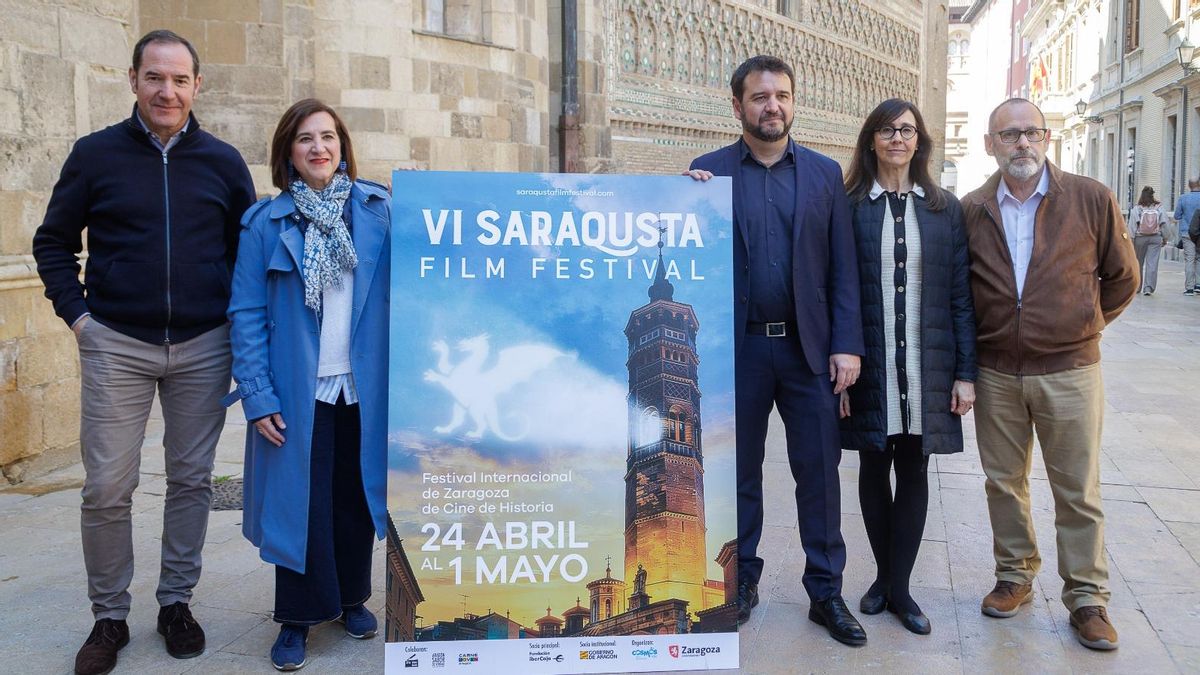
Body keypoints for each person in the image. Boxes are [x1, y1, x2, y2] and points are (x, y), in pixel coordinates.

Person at [31, 29, 255, 675]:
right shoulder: (94, 155)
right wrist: (79, 319)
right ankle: (109, 615)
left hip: (204, 344)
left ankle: (176, 602)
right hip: (117, 344)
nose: (167, 90)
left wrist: (238, 331)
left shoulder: (222, 161)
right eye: (155, 77)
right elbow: (52, 243)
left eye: (180, 79)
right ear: (133, 80)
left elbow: (246, 255)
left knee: (190, 481)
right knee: (107, 486)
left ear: (196, 87)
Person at [684, 55, 866, 646]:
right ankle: (741, 583)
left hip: (807, 352)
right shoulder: (705, 173)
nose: (773, 107)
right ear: (736, 106)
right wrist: (685, 202)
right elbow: (686, 250)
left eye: (782, 96)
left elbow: (843, 269)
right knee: (739, 476)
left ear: (793, 102)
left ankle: (826, 592)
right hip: (738, 351)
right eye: (760, 97)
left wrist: (847, 345)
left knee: (818, 472)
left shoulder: (822, 174)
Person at [962, 98, 1137, 651]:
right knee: (1003, 482)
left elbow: (1123, 278)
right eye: (1009, 135)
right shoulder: (972, 208)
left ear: (1046, 139)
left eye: (1032, 133)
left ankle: (1087, 598)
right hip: (996, 372)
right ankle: (1014, 576)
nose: (1022, 144)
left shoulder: (1090, 199)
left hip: (1069, 371)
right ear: (990, 144)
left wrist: (1082, 327)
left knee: (1077, 489)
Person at [224, 98, 390, 671]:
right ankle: (295, 617)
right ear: (288, 154)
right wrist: (257, 394)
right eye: (305, 140)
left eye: (328, 137)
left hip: (364, 387)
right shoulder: (265, 223)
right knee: (300, 502)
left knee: (355, 497)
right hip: (298, 391)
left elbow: (451, 241)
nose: (318, 148)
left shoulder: (380, 211)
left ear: (342, 145)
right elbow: (245, 312)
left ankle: (351, 599)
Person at [839, 99, 977, 636]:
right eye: (886, 129)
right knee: (874, 466)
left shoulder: (945, 209)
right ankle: (882, 577)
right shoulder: (849, 205)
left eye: (907, 130)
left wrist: (965, 373)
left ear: (919, 141)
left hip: (927, 368)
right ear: (871, 139)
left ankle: (899, 588)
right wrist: (841, 369)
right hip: (870, 364)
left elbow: (961, 298)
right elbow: (837, 291)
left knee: (914, 469)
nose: (897, 138)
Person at [1128, 186, 1166, 296]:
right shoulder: (1159, 207)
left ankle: (1137, 287)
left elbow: (1132, 226)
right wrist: (1165, 237)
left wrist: (1131, 240)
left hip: (1140, 238)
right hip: (1155, 237)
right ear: (1152, 195)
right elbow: (1164, 224)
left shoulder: (1137, 208)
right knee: (1152, 263)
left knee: (1138, 263)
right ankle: (1148, 288)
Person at [1173, 179, 1200, 295]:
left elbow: (1177, 215)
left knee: (1189, 259)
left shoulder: (1183, 198)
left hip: (1187, 233)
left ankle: (1189, 287)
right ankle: (1198, 285)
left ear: (1189, 186)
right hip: (1199, 234)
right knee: (1199, 258)